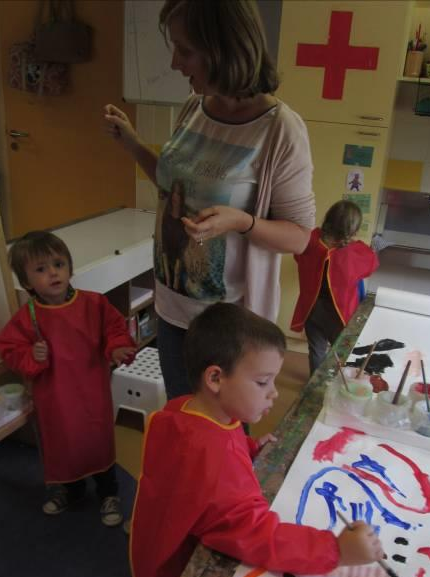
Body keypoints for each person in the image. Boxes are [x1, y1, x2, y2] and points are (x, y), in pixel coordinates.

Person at [129, 302, 384, 577]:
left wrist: (246, 449)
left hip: (152, 552)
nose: (275, 393)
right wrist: (335, 549)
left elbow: (201, 458)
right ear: (216, 378)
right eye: (263, 382)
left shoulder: (186, 410)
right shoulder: (213, 459)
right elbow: (257, 534)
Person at [104, 0, 315, 400]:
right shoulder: (193, 108)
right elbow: (175, 190)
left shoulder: (280, 130)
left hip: (226, 330)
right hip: (171, 308)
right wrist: (132, 144)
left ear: (224, 49)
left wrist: (242, 222)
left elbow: (300, 237)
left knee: (221, 440)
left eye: (185, 51)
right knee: (183, 425)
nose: (174, 64)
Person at [0, 231, 137, 526]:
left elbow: (115, 329)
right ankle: (72, 490)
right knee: (63, 445)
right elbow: (9, 349)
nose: (53, 273)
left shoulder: (93, 304)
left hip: (91, 392)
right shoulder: (28, 317)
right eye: (41, 269)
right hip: (55, 397)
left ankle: (109, 492)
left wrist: (118, 348)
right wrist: (33, 355)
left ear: (70, 267)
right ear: (26, 281)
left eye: (58, 264)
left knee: (97, 440)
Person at [290, 200, 381, 375]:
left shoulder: (310, 240)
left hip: (312, 309)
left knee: (316, 350)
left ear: (328, 219)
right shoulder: (356, 253)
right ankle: (332, 384)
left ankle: (314, 384)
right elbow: (371, 266)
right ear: (353, 229)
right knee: (340, 354)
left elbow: (298, 257)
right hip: (338, 314)